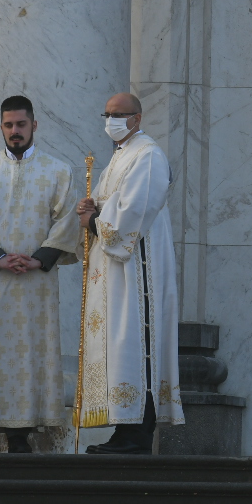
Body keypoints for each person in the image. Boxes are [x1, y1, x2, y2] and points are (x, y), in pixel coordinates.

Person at [0, 96, 81, 453]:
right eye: (8, 125)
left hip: (37, 284)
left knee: (31, 353)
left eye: (21, 125)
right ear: (1, 127)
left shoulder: (58, 171)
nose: (15, 131)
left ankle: (20, 432)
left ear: (34, 125)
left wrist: (41, 258)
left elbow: (67, 220)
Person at [74, 92, 184, 453]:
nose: (112, 120)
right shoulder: (120, 156)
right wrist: (92, 207)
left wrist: (93, 220)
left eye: (119, 114)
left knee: (138, 345)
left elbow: (132, 213)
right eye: (107, 113)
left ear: (138, 117)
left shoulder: (147, 154)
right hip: (117, 275)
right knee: (121, 347)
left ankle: (137, 435)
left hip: (139, 274)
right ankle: (124, 429)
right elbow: (112, 205)